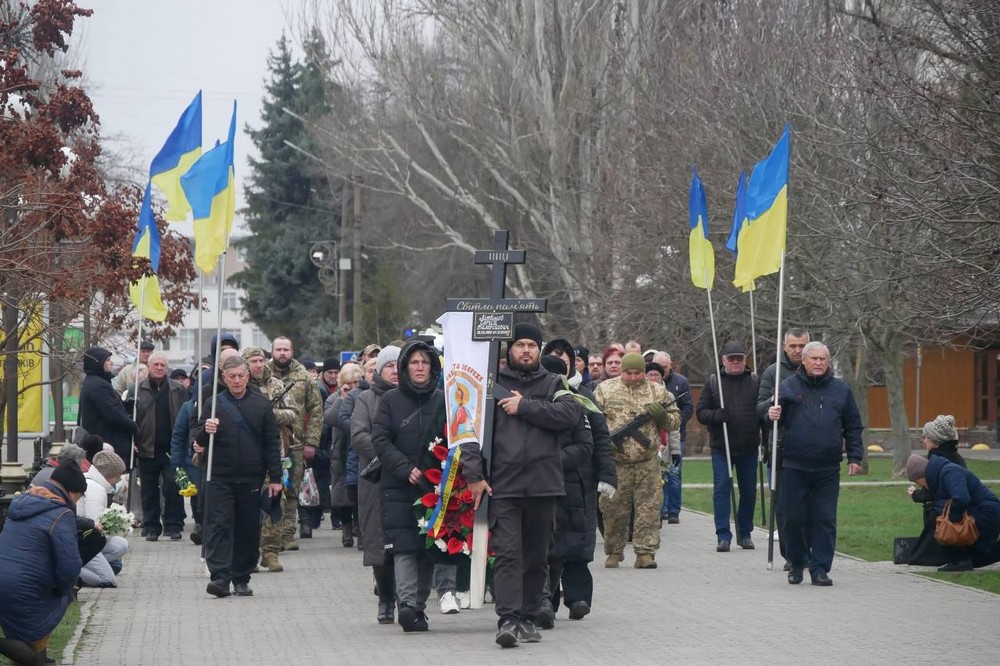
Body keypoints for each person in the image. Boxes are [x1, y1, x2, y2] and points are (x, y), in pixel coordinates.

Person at [459, 322, 582, 648]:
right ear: (509, 349)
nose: (526, 350)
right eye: (520, 344)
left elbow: (569, 415)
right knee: (509, 555)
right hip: (504, 486)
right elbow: (469, 429)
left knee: (537, 557)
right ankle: (508, 619)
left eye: (531, 345)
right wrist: (473, 475)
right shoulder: (490, 383)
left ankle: (528, 616)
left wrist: (524, 406)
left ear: (539, 349)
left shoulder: (554, 382)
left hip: (544, 485)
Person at [767, 341, 863, 586]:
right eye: (814, 359)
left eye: (823, 359)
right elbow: (770, 417)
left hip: (827, 467)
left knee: (824, 519)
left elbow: (853, 425)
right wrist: (770, 414)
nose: (819, 363)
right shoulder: (787, 387)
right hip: (794, 465)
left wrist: (855, 457)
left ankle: (820, 568)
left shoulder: (841, 390)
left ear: (828, 362)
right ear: (804, 361)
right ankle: (797, 563)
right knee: (792, 519)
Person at [194, 355, 282, 598]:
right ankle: (220, 577)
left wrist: (276, 477)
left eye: (240, 376)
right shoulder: (213, 404)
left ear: (247, 376)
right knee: (219, 525)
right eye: (231, 376)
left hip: (251, 477)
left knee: (247, 528)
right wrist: (205, 431)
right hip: (219, 476)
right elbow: (197, 441)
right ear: (224, 377)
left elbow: (271, 442)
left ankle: (242, 577)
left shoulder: (261, 404)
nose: (236, 381)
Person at [372, 341, 444, 633]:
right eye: (414, 362)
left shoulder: (442, 400)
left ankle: (417, 608)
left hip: (434, 487)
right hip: (399, 486)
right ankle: (406, 604)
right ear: (404, 367)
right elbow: (380, 440)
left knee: (428, 548)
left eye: (425, 362)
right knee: (403, 547)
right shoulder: (390, 401)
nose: (420, 367)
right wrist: (405, 468)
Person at [536, 351, 611, 627]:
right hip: (539, 481)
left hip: (577, 480)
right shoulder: (531, 401)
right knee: (545, 546)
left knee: (575, 543)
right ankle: (545, 602)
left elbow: (596, 440)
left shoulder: (580, 399)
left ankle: (577, 598)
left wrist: (607, 475)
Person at [594, 352, 680, 570]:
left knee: (649, 508)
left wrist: (662, 417)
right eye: (628, 373)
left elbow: (675, 421)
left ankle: (645, 553)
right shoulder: (605, 389)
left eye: (637, 373)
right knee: (613, 508)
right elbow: (593, 419)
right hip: (616, 462)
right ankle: (614, 551)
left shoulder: (658, 391)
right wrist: (604, 441)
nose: (633, 377)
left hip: (647, 461)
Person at [0, 460, 85, 666]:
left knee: (28, 633)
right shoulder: (61, 513)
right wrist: (64, 589)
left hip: (5, 581)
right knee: (56, 599)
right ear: (72, 492)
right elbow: (70, 566)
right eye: (80, 495)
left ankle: (36, 654)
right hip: (24, 587)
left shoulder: (22, 504)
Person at [348, 352, 399, 625]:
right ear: (379, 370)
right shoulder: (366, 399)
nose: (395, 370)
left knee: (406, 540)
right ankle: (386, 599)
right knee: (379, 541)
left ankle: (408, 598)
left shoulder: (415, 397)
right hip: (376, 479)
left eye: (399, 365)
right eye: (389, 365)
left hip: (408, 478)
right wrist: (391, 456)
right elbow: (359, 436)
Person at [697, 341, 760, 552]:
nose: (735, 362)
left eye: (739, 358)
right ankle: (723, 535)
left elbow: (763, 411)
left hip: (749, 447)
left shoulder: (755, 381)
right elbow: (701, 412)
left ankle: (745, 532)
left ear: (745, 360)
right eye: (731, 358)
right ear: (723, 360)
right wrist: (715, 416)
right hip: (721, 447)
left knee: (749, 492)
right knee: (722, 489)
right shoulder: (713, 382)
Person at [756, 327, 810, 567]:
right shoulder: (773, 372)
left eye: (802, 346)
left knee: (810, 505)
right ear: (784, 347)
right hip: (781, 448)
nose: (797, 350)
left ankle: (808, 550)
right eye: (793, 346)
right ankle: (791, 554)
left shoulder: (816, 369)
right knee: (785, 506)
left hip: (811, 447)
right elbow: (759, 407)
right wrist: (771, 406)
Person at [242, 346, 299, 572]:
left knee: (275, 503)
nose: (258, 365)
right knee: (247, 507)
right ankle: (249, 554)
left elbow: (293, 413)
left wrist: (268, 415)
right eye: (253, 361)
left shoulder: (276, 385)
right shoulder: (240, 386)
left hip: (274, 454)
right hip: (246, 455)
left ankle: (270, 552)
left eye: (261, 360)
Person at [267, 337, 324, 545]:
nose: (282, 353)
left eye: (286, 349)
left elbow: (316, 410)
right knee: (270, 488)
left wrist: (312, 441)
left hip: (296, 443)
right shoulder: (264, 374)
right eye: (278, 349)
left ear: (292, 352)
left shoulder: (303, 376)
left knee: (292, 490)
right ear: (272, 352)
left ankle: (288, 534)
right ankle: (271, 533)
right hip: (269, 442)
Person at [905, 453, 1000, 571]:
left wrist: (940, 507)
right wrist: (916, 495)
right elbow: (933, 495)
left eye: (919, 482)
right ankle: (959, 559)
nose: (921, 486)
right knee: (977, 560)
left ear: (924, 476)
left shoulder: (950, 472)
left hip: (987, 513)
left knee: (938, 513)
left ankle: (960, 559)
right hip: (981, 512)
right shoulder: (939, 475)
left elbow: (961, 499)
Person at [134, 351, 188, 541]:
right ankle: (151, 527)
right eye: (155, 364)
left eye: (162, 365)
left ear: (167, 367)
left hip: (172, 449)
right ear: (148, 367)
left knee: (173, 487)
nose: (159, 368)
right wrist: (133, 441)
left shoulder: (177, 389)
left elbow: (186, 416)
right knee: (149, 490)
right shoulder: (137, 390)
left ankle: (173, 525)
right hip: (146, 448)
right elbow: (130, 418)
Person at [77, 450, 130, 587]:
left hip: (80, 535)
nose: (119, 480)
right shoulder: (96, 490)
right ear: (111, 476)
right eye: (118, 476)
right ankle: (72, 572)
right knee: (107, 580)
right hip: (82, 541)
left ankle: (86, 566)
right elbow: (95, 527)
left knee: (121, 545)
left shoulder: (91, 481)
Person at [651, 351, 693, 524]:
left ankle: (674, 510)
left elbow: (687, 408)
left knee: (674, 474)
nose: (661, 371)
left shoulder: (680, 383)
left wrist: (674, 422)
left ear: (670, 366)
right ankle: (661, 510)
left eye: (665, 367)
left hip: (675, 434)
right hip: (654, 440)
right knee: (658, 476)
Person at [79, 346, 138, 466]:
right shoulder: (98, 385)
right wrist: (134, 427)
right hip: (108, 444)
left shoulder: (95, 382)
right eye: (107, 360)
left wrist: (128, 405)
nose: (111, 363)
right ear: (98, 363)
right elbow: (113, 414)